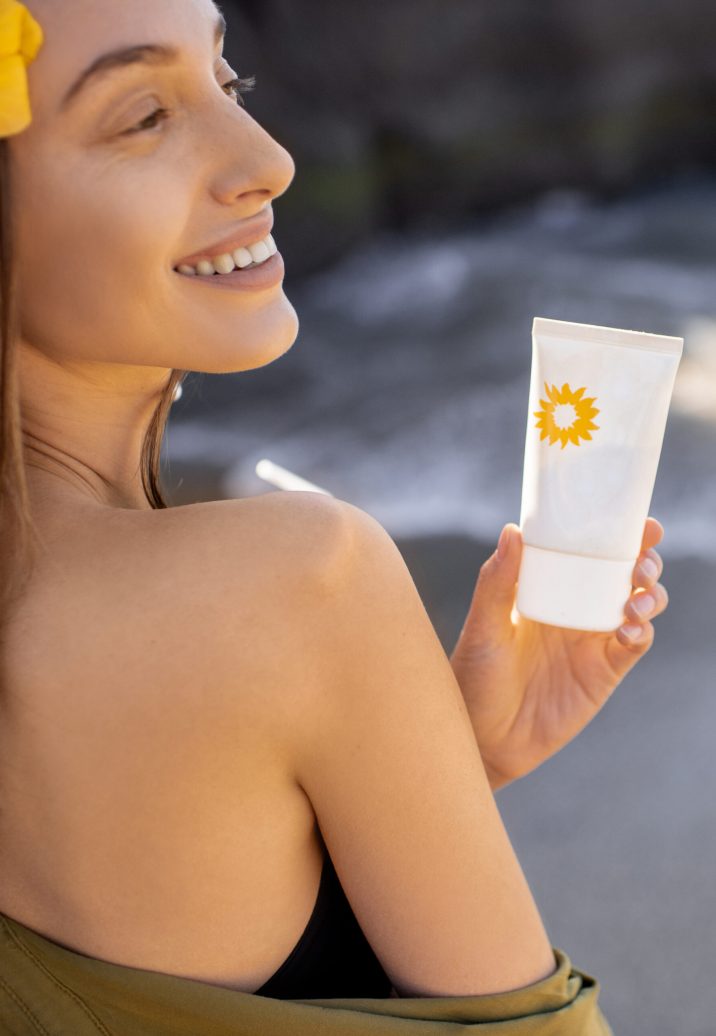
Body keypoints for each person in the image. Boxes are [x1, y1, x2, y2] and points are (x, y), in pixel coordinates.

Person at [0, 0, 667, 1031]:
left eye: (228, 84)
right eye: (143, 117)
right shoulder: (297, 582)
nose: (267, 160)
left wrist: (427, 769)